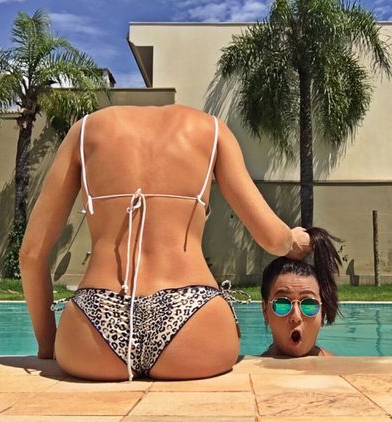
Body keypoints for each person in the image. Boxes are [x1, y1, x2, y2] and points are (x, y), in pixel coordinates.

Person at [20, 105, 310, 381]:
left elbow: (31, 256)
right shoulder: (211, 130)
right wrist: (293, 239)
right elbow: (273, 239)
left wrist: (48, 348)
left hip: (95, 318)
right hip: (192, 312)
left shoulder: (84, 132)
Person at [260, 227, 342, 358]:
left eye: (308, 305)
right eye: (282, 304)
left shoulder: (341, 368)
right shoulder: (246, 370)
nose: (296, 317)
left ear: (323, 312)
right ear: (265, 311)